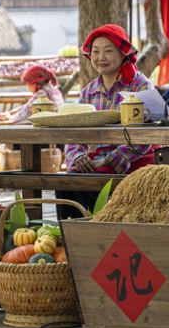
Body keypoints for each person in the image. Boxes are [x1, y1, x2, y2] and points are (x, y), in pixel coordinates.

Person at [58, 25, 154, 218]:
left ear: (123, 53)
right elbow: (75, 132)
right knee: (65, 184)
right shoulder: (89, 91)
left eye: (108, 51)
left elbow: (148, 135)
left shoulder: (140, 84)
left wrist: (109, 160)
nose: (101, 57)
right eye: (95, 52)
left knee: (89, 184)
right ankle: (68, 235)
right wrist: (78, 157)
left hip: (136, 158)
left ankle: (96, 230)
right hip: (98, 162)